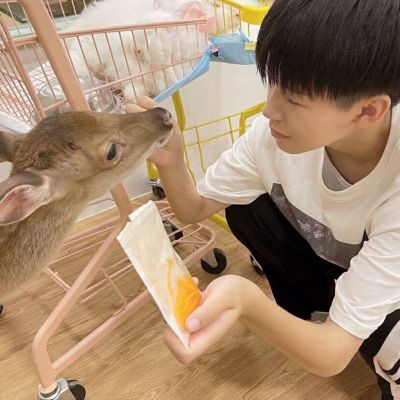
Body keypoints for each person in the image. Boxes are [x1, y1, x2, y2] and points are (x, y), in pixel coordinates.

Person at [127, 0, 400, 398]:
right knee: (246, 207)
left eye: (294, 99)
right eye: (272, 83)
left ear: (368, 110)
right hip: (333, 256)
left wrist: (248, 303)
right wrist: (172, 162)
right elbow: (193, 208)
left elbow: (330, 356)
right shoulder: (270, 136)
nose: (269, 109)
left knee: (392, 353)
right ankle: (316, 311)